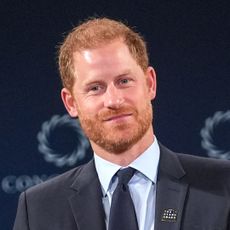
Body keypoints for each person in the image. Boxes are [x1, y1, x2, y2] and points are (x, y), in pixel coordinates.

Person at [13, 17, 230, 230]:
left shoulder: (224, 186)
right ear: (71, 103)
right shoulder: (38, 210)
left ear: (150, 83)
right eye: (95, 88)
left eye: (124, 81)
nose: (114, 101)